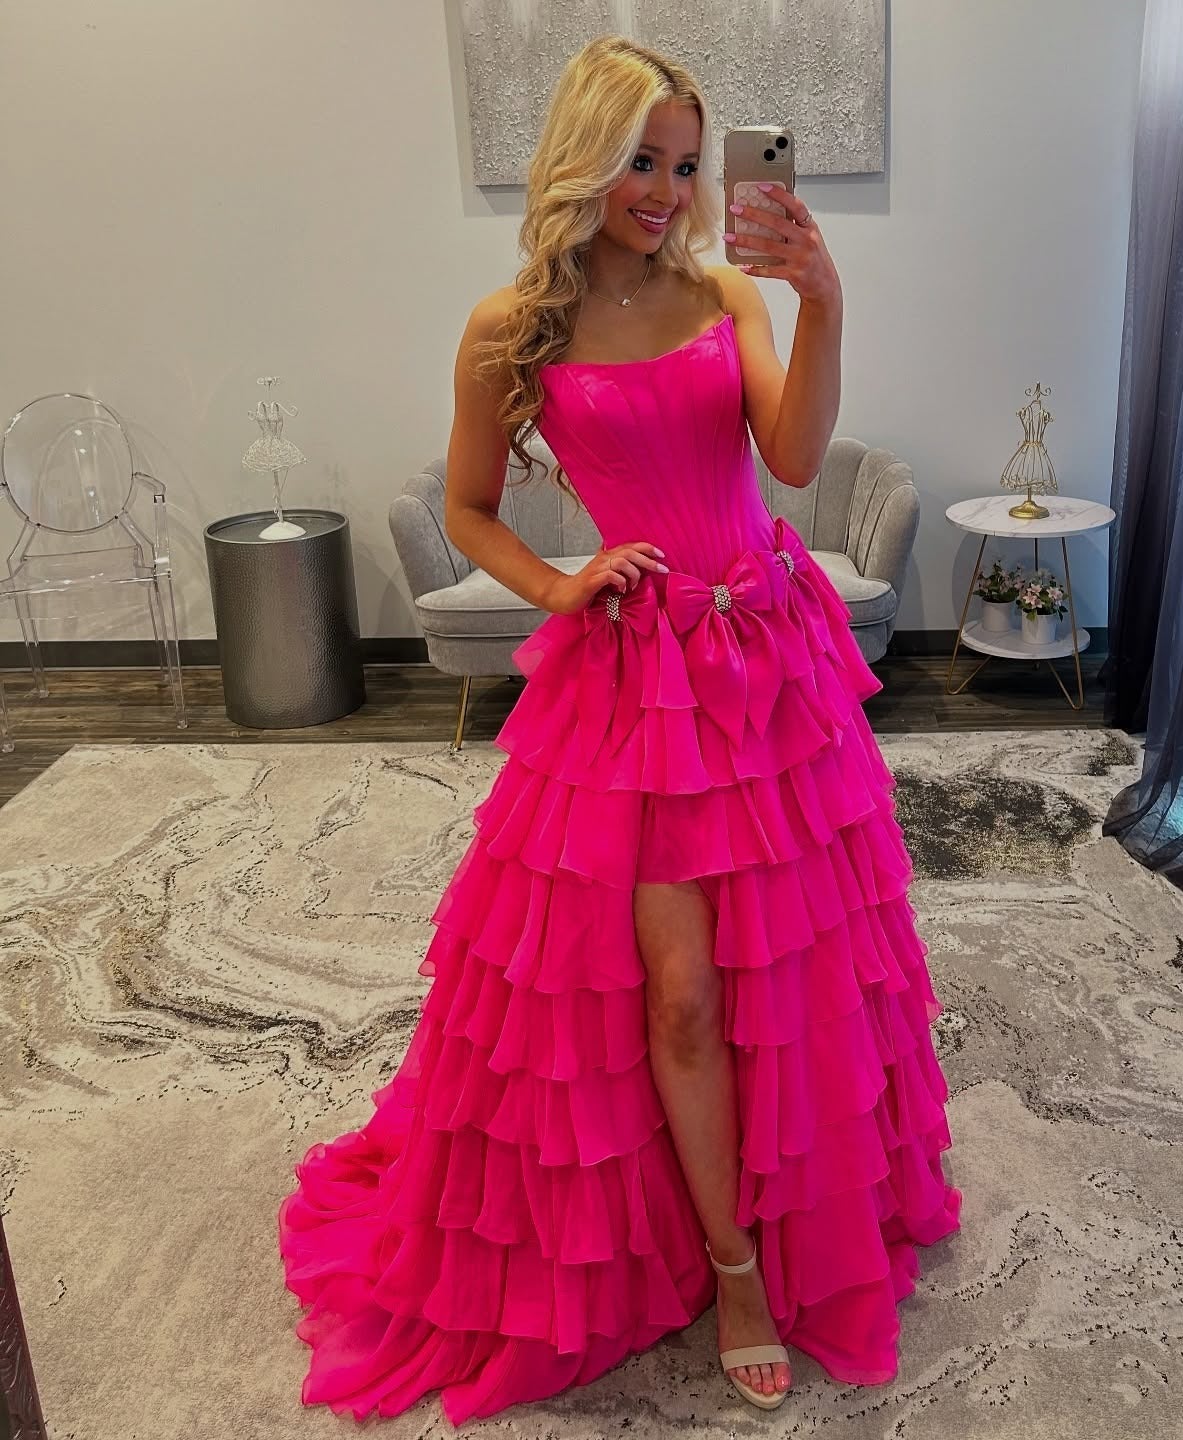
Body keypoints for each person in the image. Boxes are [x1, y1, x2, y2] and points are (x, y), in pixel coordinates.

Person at [277, 34, 961, 1426]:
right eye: (642, 160)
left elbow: (791, 459)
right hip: (638, 682)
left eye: (687, 164)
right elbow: (469, 506)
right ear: (587, 158)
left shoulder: (727, 294)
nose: (666, 190)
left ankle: (787, 1212)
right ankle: (733, 1269)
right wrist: (556, 582)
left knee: (794, 970)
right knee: (680, 992)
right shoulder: (510, 326)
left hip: (768, 664)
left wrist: (823, 302)